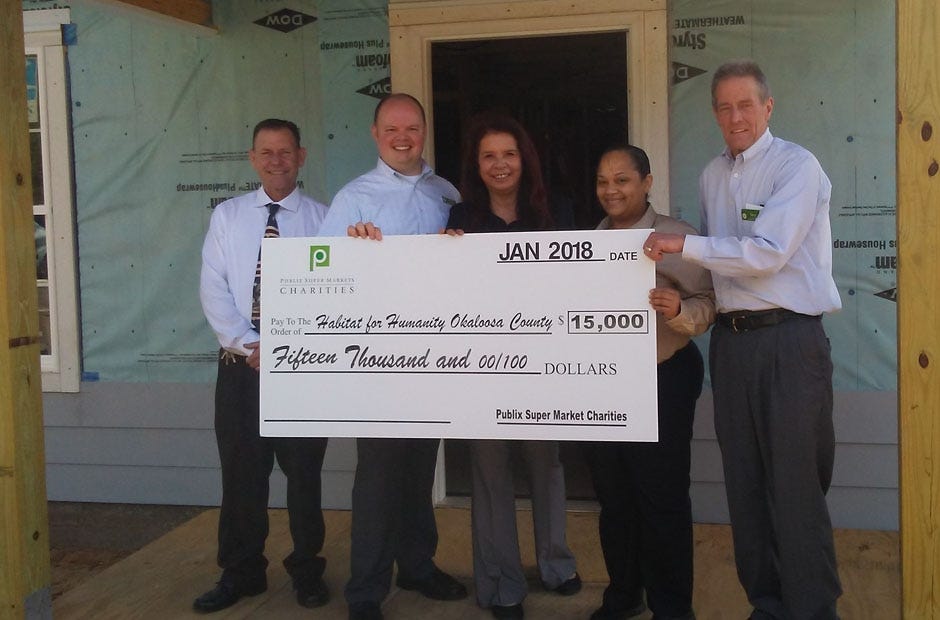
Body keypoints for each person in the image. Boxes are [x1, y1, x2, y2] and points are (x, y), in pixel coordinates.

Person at [643, 59, 843, 620]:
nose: (736, 116)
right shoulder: (712, 175)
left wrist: (684, 245)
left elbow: (766, 253)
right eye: (725, 106)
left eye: (746, 104)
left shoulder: (796, 167)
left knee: (796, 489)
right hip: (733, 347)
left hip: (789, 344)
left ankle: (812, 609)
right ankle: (768, 604)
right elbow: (723, 275)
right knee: (747, 487)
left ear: (768, 106)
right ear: (713, 112)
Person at [319, 93, 466, 620]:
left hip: (431, 355)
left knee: (420, 468)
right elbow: (321, 274)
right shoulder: (353, 198)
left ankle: (418, 566)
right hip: (377, 362)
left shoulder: (444, 192)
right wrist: (350, 247)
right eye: (391, 129)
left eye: (412, 128)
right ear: (375, 134)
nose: (402, 137)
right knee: (378, 478)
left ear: (424, 131)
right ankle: (366, 590)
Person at [446, 113, 580, 620]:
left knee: (547, 466)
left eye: (509, 153)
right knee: (489, 474)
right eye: (488, 156)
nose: (500, 164)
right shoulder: (460, 218)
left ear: (525, 159)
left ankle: (556, 563)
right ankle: (500, 583)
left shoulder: (558, 211)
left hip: (544, 366)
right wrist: (447, 255)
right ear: (476, 165)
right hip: (482, 368)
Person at [196, 118, 330, 613]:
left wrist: (289, 349)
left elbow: (336, 292)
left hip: (302, 368)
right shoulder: (228, 217)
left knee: (304, 476)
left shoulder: (323, 218)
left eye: (285, 151)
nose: (276, 160)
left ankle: (307, 570)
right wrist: (251, 344)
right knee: (241, 475)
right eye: (266, 152)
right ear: (252, 158)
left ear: (302, 156)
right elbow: (213, 288)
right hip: (240, 368)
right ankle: (241, 572)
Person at [586, 145, 715, 620]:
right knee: (615, 499)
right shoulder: (584, 244)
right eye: (602, 181)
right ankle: (623, 594)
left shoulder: (680, 239)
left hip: (664, 377)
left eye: (622, 179)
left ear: (646, 182)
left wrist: (679, 311)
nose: (611, 190)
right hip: (604, 382)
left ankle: (672, 606)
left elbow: (709, 302)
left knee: (661, 499)